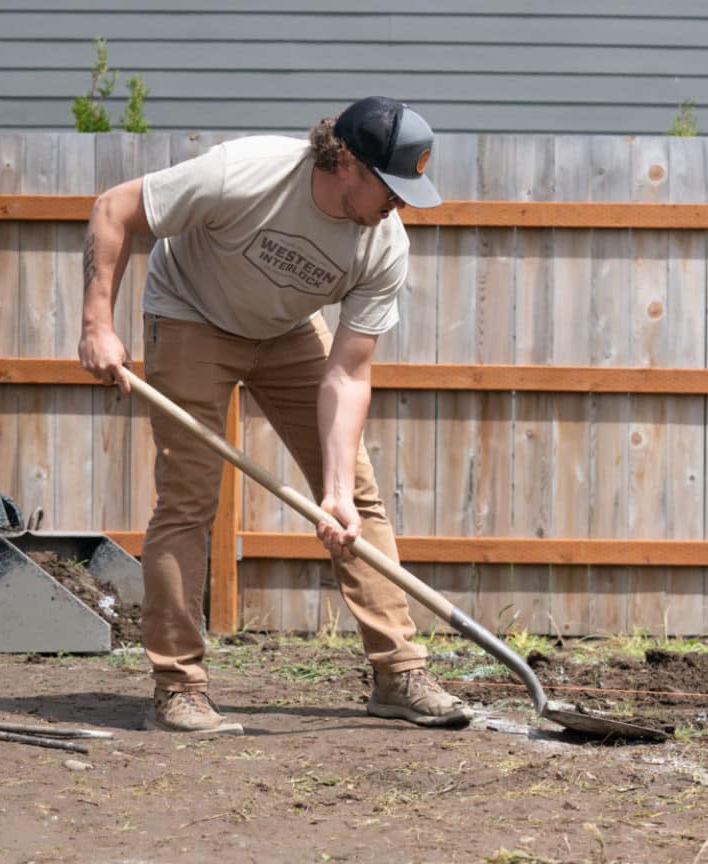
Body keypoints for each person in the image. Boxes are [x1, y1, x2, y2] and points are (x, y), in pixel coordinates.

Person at [78, 96, 472, 733]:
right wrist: (98, 324)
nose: (397, 205)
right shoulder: (246, 172)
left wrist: (335, 493)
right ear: (344, 161)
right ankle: (178, 685)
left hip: (288, 331)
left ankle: (398, 672)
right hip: (190, 314)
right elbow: (114, 208)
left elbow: (347, 373)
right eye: (390, 188)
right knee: (189, 498)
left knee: (358, 499)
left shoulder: (384, 245)